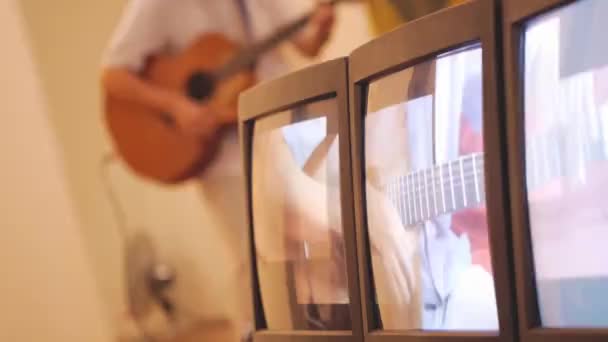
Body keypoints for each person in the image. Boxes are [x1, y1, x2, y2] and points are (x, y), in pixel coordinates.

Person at [101, 1, 335, 341]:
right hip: (226, 156)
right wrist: (176, 105)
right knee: (254, 258)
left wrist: (322, 28)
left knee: (317, 245)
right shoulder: (154, 5)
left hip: (288, 131)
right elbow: (113, 74)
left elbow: (306, 45)